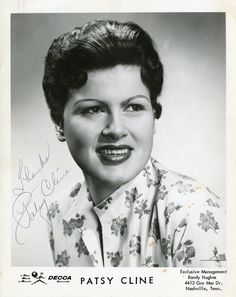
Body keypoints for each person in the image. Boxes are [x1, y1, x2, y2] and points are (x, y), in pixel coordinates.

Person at [43, 20, 226, 267]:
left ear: (153, 116)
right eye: (94, 109)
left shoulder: (192, 213)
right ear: (59, 122)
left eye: (133, 107)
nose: (116, 130)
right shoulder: (58, 212)